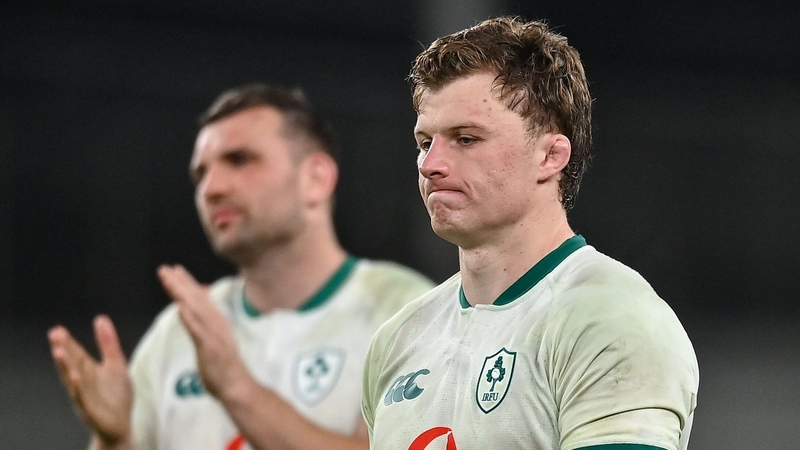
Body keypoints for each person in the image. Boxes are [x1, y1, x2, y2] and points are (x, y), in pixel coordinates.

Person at [362, 17, 699, 450]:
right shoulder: (398, 338)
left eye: (465, 139)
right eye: (425, 142)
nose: (430, 165)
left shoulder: (612, 320)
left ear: (550, 157)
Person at [48, 83, 434, 450]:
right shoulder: (178, 331)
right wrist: (113, 439)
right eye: (201, 173)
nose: (212, 189)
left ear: (316, 179)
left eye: (240, 160)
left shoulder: (404, 309)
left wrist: (236, 387)